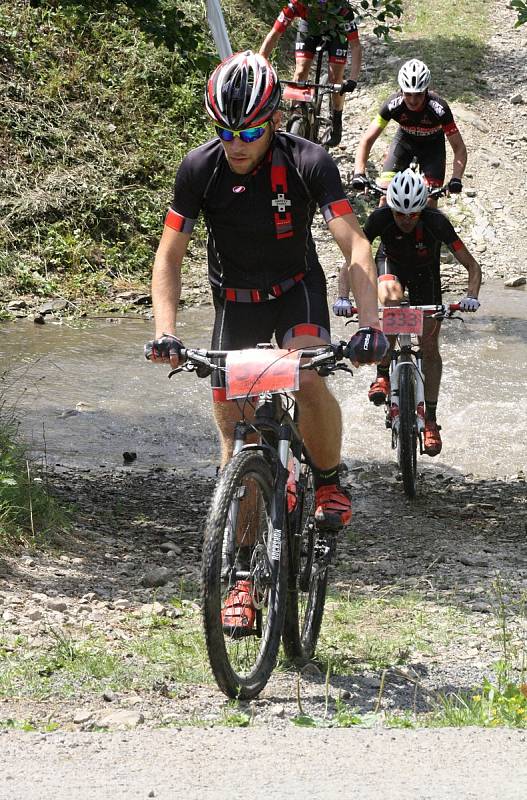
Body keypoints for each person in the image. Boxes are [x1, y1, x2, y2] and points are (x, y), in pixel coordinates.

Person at [147, 51, 387, 631]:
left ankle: (328, 483)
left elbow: (354, 245)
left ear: (273, 121)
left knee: (304, 375)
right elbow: (169, 255)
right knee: (240, 442)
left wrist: (371, 324)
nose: (236, 143)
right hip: (235, 305)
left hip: (294, 292)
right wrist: (165, 332)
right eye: (226, 131)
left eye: (250, 131)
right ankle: (243, 580)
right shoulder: (198, 169)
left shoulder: (308, 161)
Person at [334, 169, 481, 456]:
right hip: (391, 266)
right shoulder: (380, 218)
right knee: (390, 297)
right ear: (391, 207)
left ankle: (431, 419)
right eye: (400, 214)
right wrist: (342, 295)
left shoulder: (436, 222)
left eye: (412, 214)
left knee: (429, 346)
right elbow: (353, 258)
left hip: (426, 276)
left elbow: (472, 266)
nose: (405, 220)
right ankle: (382, 373)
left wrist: (471, 296)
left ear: (422, 209)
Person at [352, 59, 467, 204]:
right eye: (408, 94)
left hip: (432, 149)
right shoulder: (392, 105)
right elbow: (367, 140)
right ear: (401, 90)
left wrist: (456, 178)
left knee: (429, 201)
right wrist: (359, 172)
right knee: (385, 196)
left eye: (418, 94)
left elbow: (459, 147)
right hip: (404, 144)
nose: (413, 100)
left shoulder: (439, 108)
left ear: (426, 90)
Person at [259, 1, 362, 146]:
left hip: (336, 29)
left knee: (335, 77)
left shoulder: (342, 9)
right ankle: (296, 115)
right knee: (300, 71)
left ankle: (337, 118)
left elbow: (356, 46)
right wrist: (259, 65)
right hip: (309, 27)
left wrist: (352, 80)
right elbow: (275, 34)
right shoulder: (297, 4)